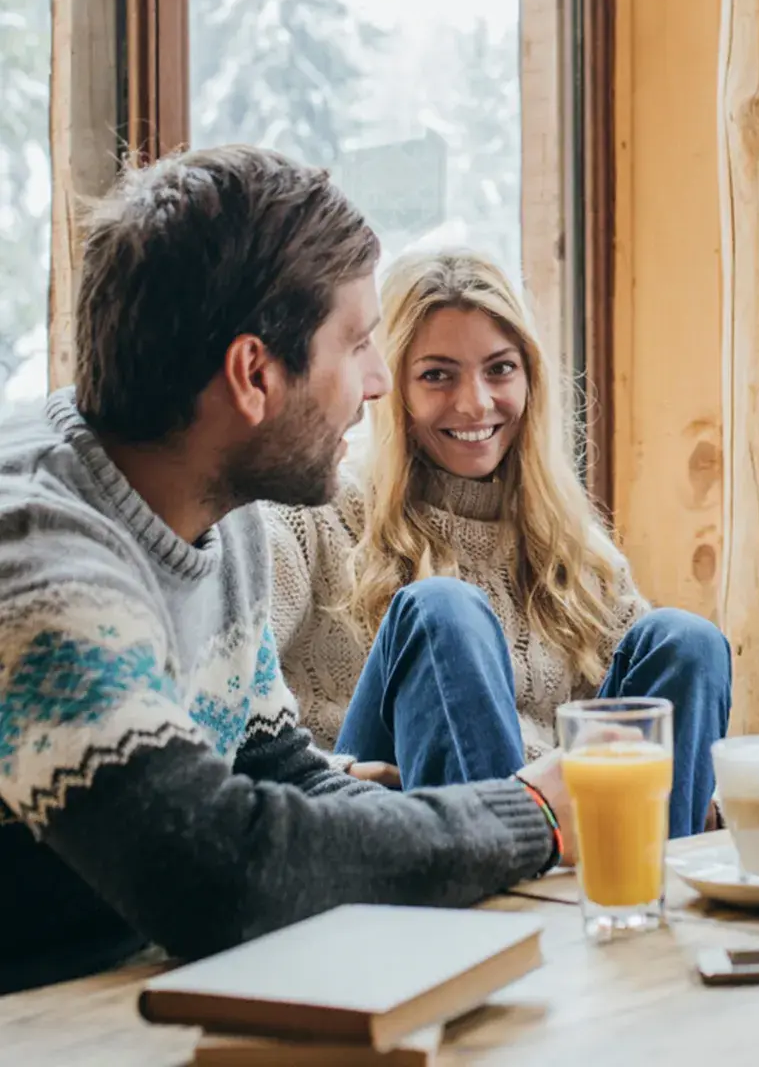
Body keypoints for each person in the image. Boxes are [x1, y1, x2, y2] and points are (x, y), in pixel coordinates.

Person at [0, 148, 572, 997]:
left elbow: (285, 775)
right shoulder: (41, 561)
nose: (376, 384)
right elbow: (220, 874)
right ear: (253, 374)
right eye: (359, 344)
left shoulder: (219, 510)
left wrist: (511, 820)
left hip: (133, 999)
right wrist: (530, 816)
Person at [267, 249, 732, 839]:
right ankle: (498, 884)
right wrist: (337, 774)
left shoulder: (565, 539)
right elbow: (221, 707)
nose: (476, 403)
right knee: (441, 609)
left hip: (561, 831)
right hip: (392, 831)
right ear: (393, 386)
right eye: (437, 375)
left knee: (687, 642)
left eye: (499, 369)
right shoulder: (311, 516)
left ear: (529, 378)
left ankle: (647, 881)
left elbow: (645, 713)